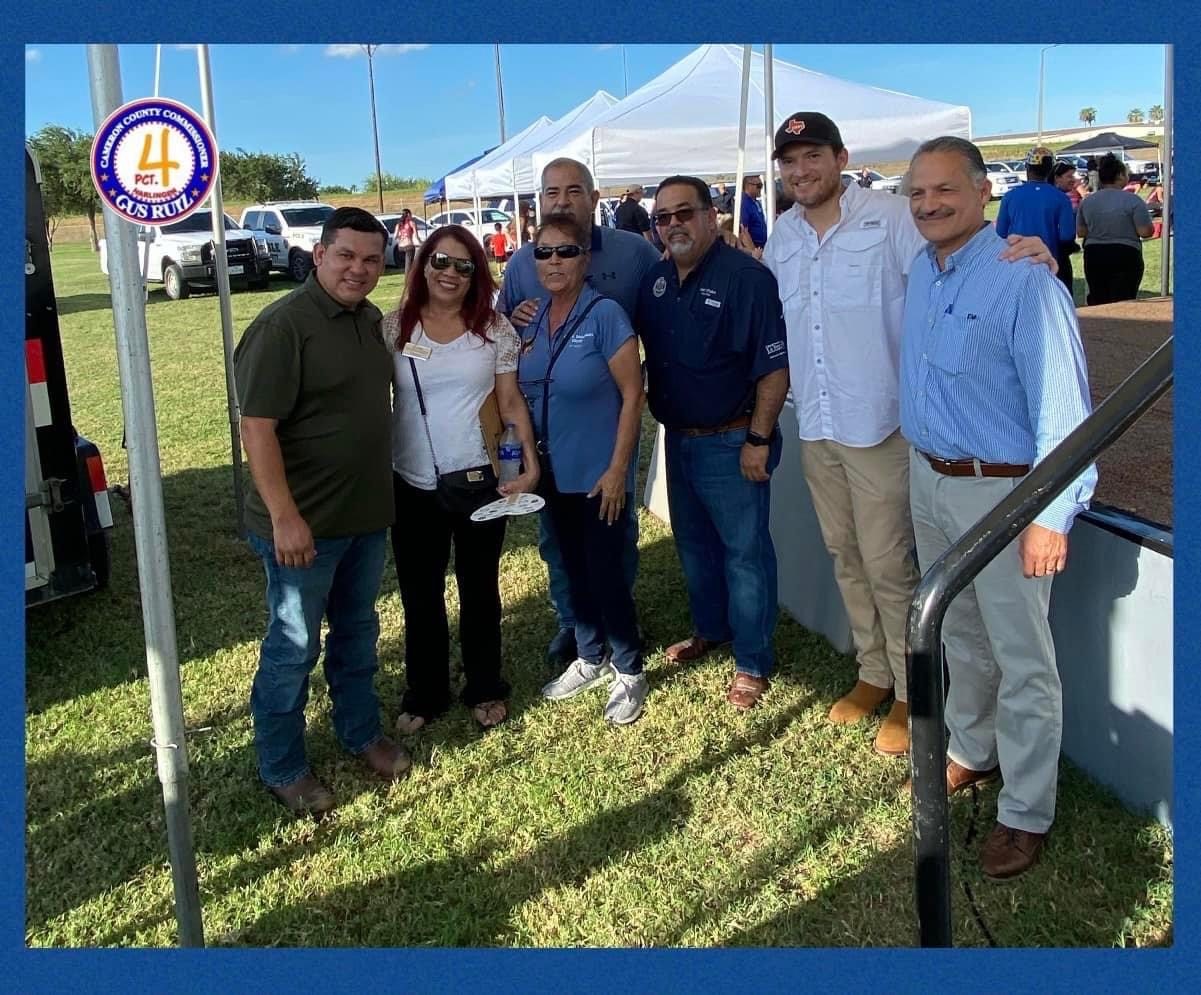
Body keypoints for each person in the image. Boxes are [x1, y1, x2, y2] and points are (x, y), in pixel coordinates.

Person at [762, 111, 1056, 755]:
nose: (801, 170)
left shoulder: (892, 217)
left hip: (883, 426)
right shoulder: (781, 234)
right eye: (790, 161)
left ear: (841, 158)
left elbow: (958, 265)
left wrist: (1032, 254)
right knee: (845, 556)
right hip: (817, 421)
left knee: (890, 565)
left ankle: (908, 688)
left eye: (814, 155)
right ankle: (873, 669)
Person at [900, 135, 1096, 879]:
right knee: (960, 635)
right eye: (916, 193)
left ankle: (1024, 811)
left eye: (944, 189)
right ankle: (971, 749)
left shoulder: (1024, 280)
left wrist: (1050, 512)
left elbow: (1063, 409)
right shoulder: (921, 268)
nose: (928, 204)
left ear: (983, 191)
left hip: (1006, 492)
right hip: (931, 480)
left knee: (1022, 657)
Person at [234, 207, 410, 819]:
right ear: (318, 254)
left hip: (364, 517)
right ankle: (282, 765)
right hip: (302, 528)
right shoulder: (284, 326)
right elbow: (256, 429)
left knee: (358, 633)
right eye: (345, 256)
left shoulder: (369, 322)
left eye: (369, 259)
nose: (358, 269)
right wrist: (285, 517)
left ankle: (360, 733)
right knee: (293, 648)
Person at [499, 157, 660, 667]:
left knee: (614, 536)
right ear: (539, 202)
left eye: (573, 191)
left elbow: (663, 315)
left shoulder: (635, 253)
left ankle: (619, 622)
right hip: (548, 434)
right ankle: (574, 623)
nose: (562, 201)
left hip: (604, 425)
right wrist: (512, 317)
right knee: (557, 540)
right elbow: (503, 335)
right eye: (551, 193)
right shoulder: (522, 264)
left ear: (594, 197)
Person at [637, 175, 790, 710]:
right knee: (694, 545)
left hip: (733, 440)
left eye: (684, 213)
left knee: (744, 555)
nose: (673, 224)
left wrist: (758, 439)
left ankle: (752, 661)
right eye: (663, 217)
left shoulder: (745, 277)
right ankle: (712, 630)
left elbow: (774, 369)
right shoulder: (656, 281)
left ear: (711, 215)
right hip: (677, 439)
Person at [385, 226, 540, 735]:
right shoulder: (393, 329)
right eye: (441, 262)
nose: (450, 274)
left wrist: (529, 461)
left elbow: (511, 400)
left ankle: (485, 685)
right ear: (423, 264)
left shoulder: (494, 330)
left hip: (477, 478)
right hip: (411, 483)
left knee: (480, 588)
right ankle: (425, 692)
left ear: (478, 273)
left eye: (464, 266)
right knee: (420, 593)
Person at [523, 217, 648, 724]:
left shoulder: (606, 315)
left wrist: (619, 469)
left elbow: (633, 394)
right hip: (552, 473)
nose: (554, 262)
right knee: (572, 568)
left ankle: (629, 669)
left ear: (585, 260)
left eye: (566, 252)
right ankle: (589, 656)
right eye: (544, 253)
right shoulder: (529, 318)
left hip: (599, 473)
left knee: (605, 572)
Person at [996, 148, 1078, 295]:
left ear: (1027, 168)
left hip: (1016, 262)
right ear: (1050, 170)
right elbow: (1067, 235)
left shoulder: (1009, 196)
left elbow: (1000, 232)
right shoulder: (1061, 198)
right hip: (1049, 263)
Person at [1077, 153, 1155, 305]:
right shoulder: (1133, 200)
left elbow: (1081, 232)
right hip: (1125, 254)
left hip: (1094, 254)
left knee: (1099, 301)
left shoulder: (1087, 202)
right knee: (1123, 302)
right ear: (1120, 175)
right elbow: (1145, 232)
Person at [739, 174, 768, 248]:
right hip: (754, 250)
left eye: (761, 186)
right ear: (748, 186)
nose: (760, 189)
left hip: (761, 248)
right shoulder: (744, 204)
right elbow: (743, 231)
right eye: (759, 186)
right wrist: (752, 251)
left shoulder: (756, 202)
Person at [394, 208, 417, 273]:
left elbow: (395, 236)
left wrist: (401, 236)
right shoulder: (411, 223)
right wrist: (421, 243)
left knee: (404, 265)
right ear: (408, 214)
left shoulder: (399, 224)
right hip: (408, 246)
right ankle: (408, 279)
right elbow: (416, 236)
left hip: (400, 247)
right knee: (409, 266)